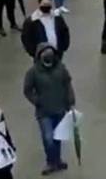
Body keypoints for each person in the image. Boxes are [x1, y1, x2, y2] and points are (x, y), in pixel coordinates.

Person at [23, 43, 75, 175]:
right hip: (44, 112)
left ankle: (56, 161)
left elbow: (67, 84)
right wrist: (37, 101)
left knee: (57, 138)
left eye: (50, 52)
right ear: (39, 56)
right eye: (45, 53)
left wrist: (70, 101)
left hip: (60, 109)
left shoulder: (61, 68)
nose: (48, 55)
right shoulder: (33, 72)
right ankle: (50, 161)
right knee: (48, 138)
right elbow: (27, 90)